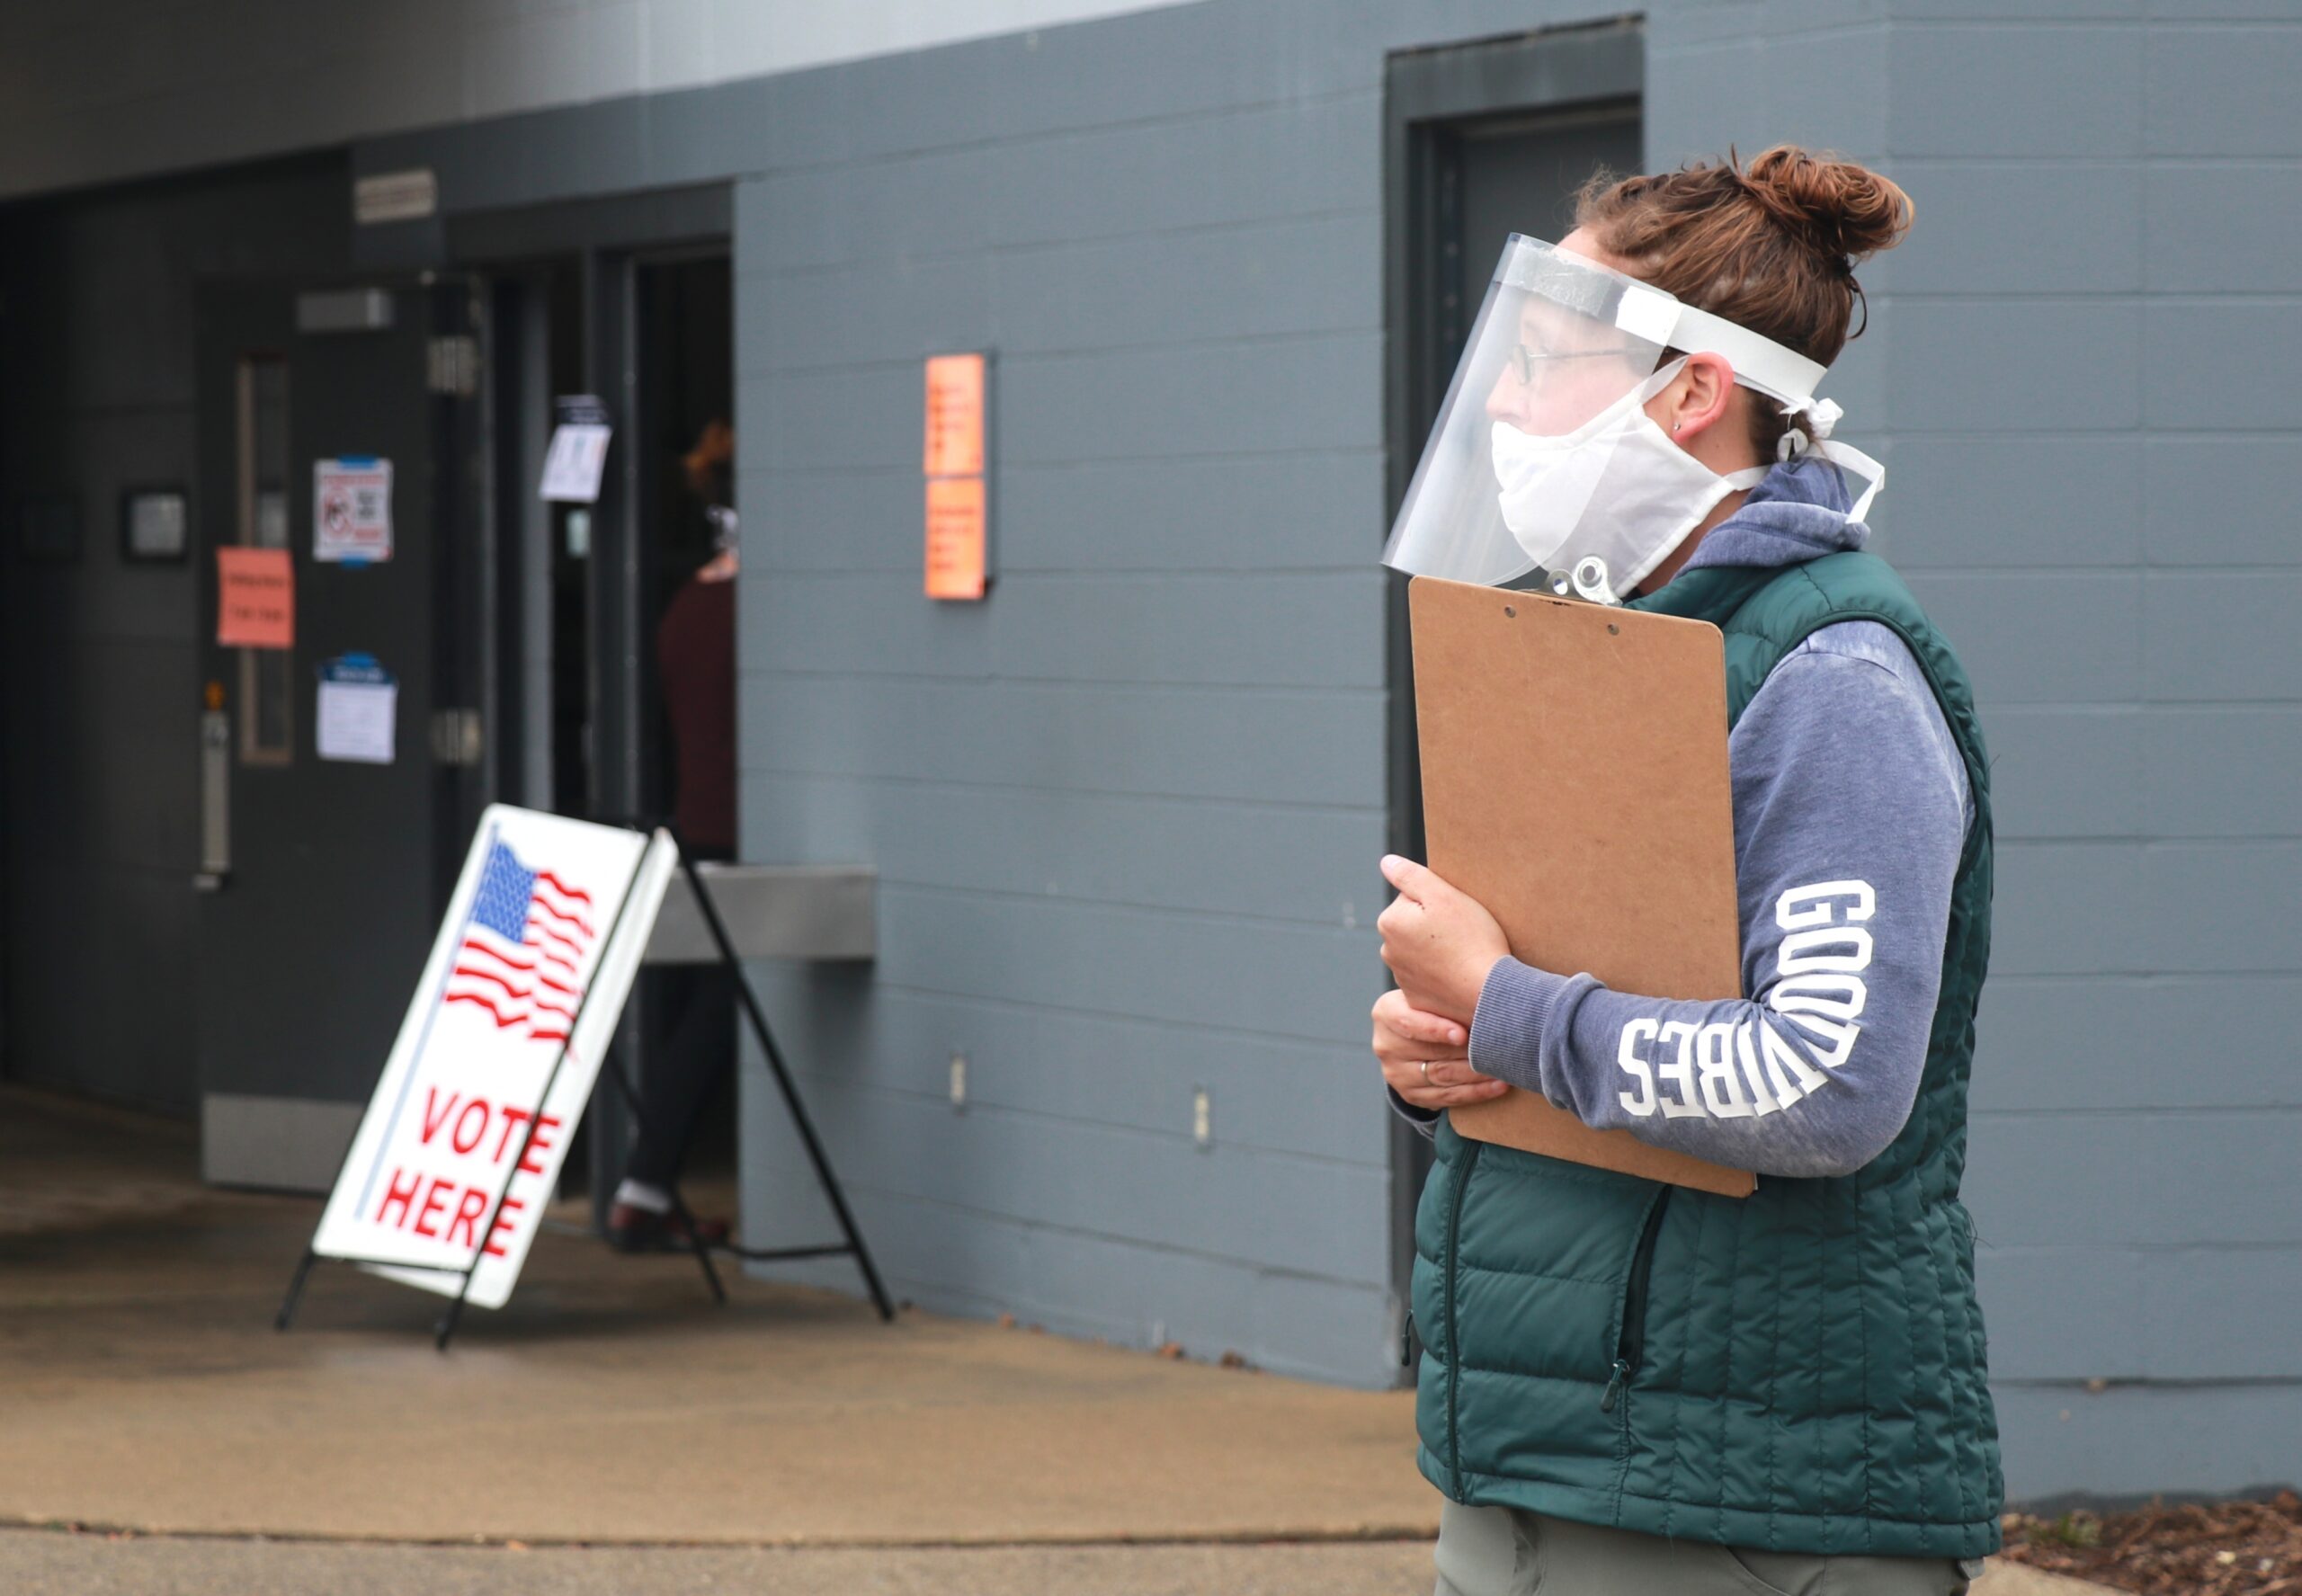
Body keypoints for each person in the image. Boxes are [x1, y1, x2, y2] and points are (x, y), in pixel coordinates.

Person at [1372, 147, 1998, 1595]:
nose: (1507, 409)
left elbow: (1826, 1088)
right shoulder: (1619, 646)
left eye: (1540, 363)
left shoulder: (1836, 674)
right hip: (1547, 1464)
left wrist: (1514, 1009)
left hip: (1747, 1505)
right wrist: (1449, 1045)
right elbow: (1578, 1007)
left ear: (1694, 390)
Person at [608, 419, 740, 1252]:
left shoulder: (685, 610)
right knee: (718, 1015)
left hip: (695, 824)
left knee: (697, 1008)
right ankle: (643, 1182)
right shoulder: (746, 615)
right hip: (738, 832)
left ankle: (642, 1183)